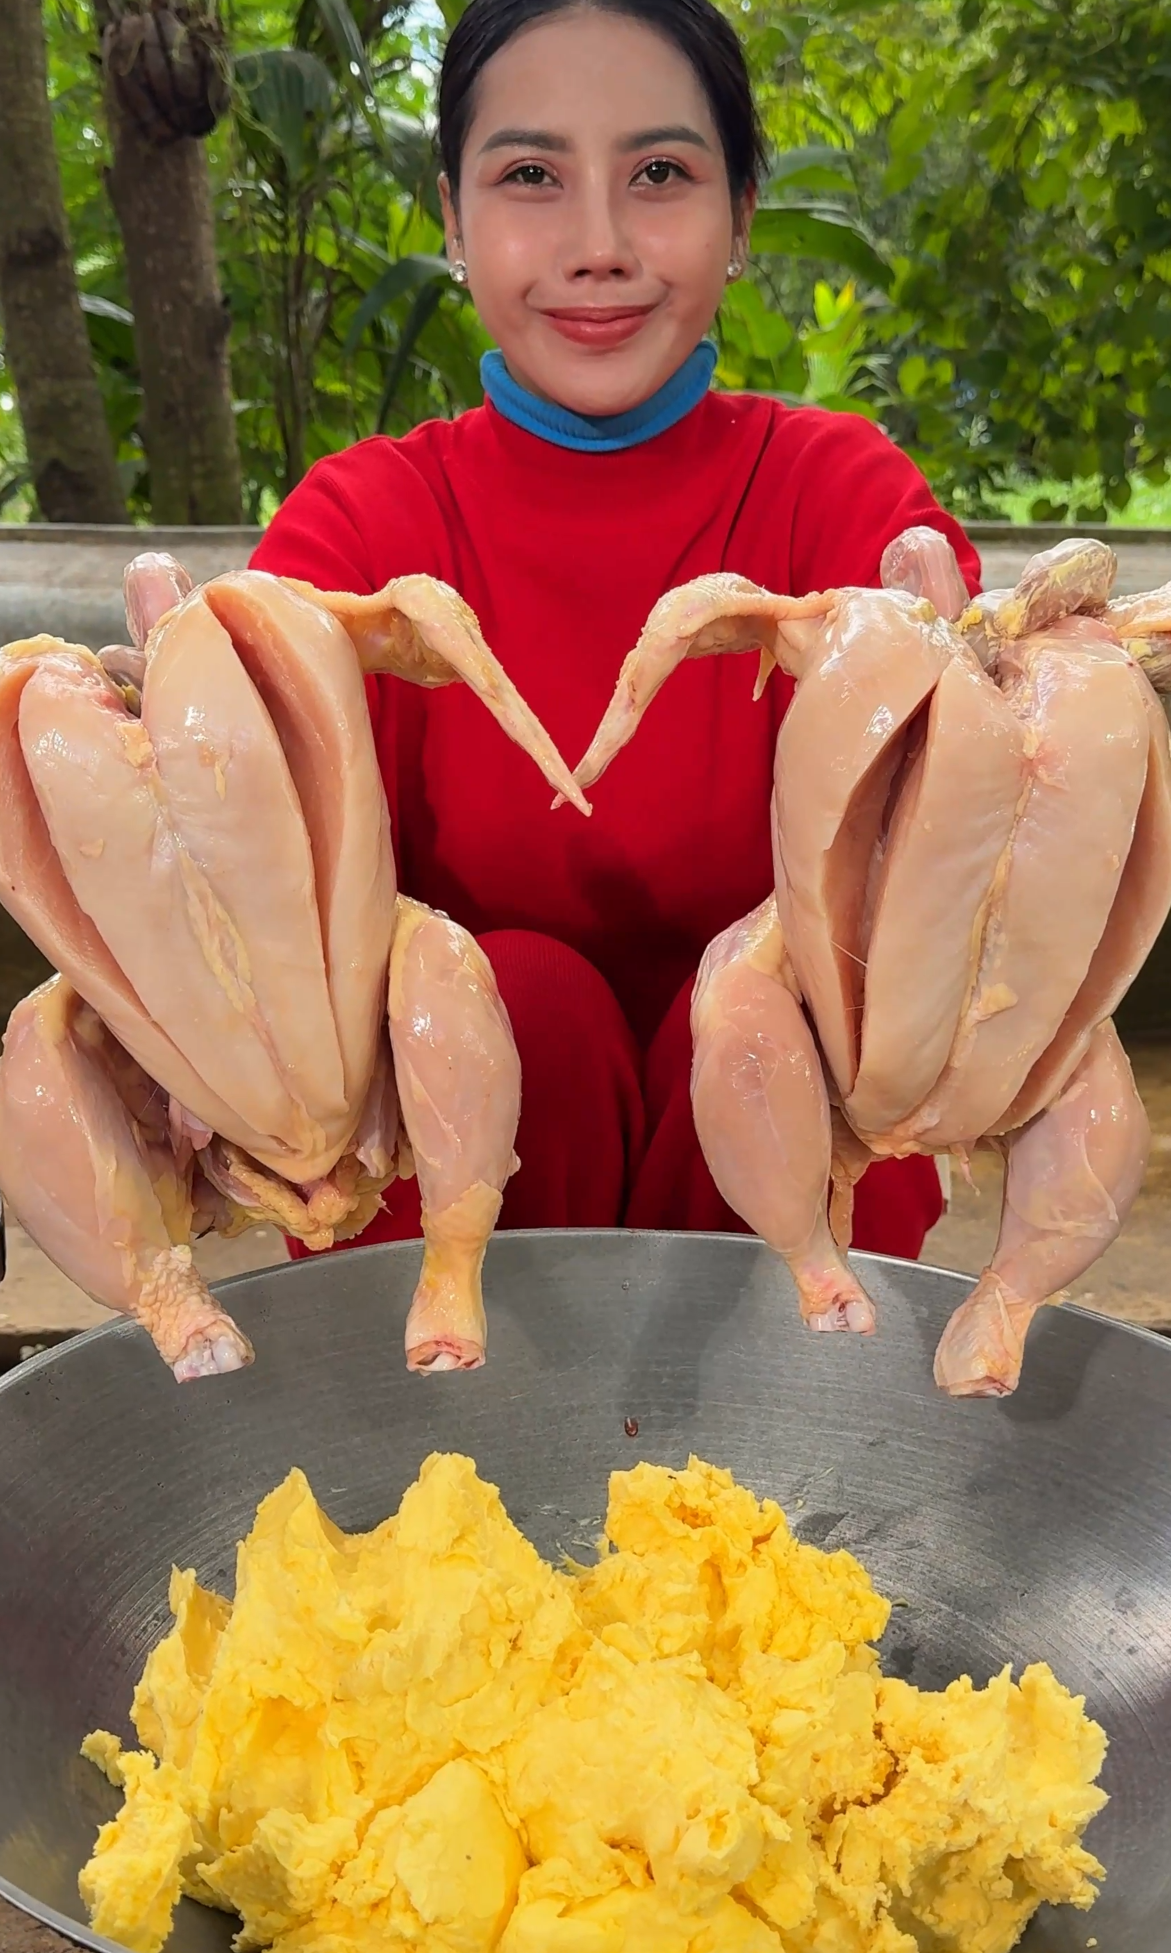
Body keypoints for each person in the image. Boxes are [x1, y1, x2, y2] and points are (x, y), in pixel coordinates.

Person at [253, 0, 981, 1268]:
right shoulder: (361, 528)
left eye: (659, 174)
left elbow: (973, 836)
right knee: (517, 994)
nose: (598, 246)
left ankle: (808, 1428)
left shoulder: (841, 498)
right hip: (448, 1209)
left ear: (742, 214)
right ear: (452, 218)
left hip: (798, 1189)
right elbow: (241, 846)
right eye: (531, 175)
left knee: (764, 1007)